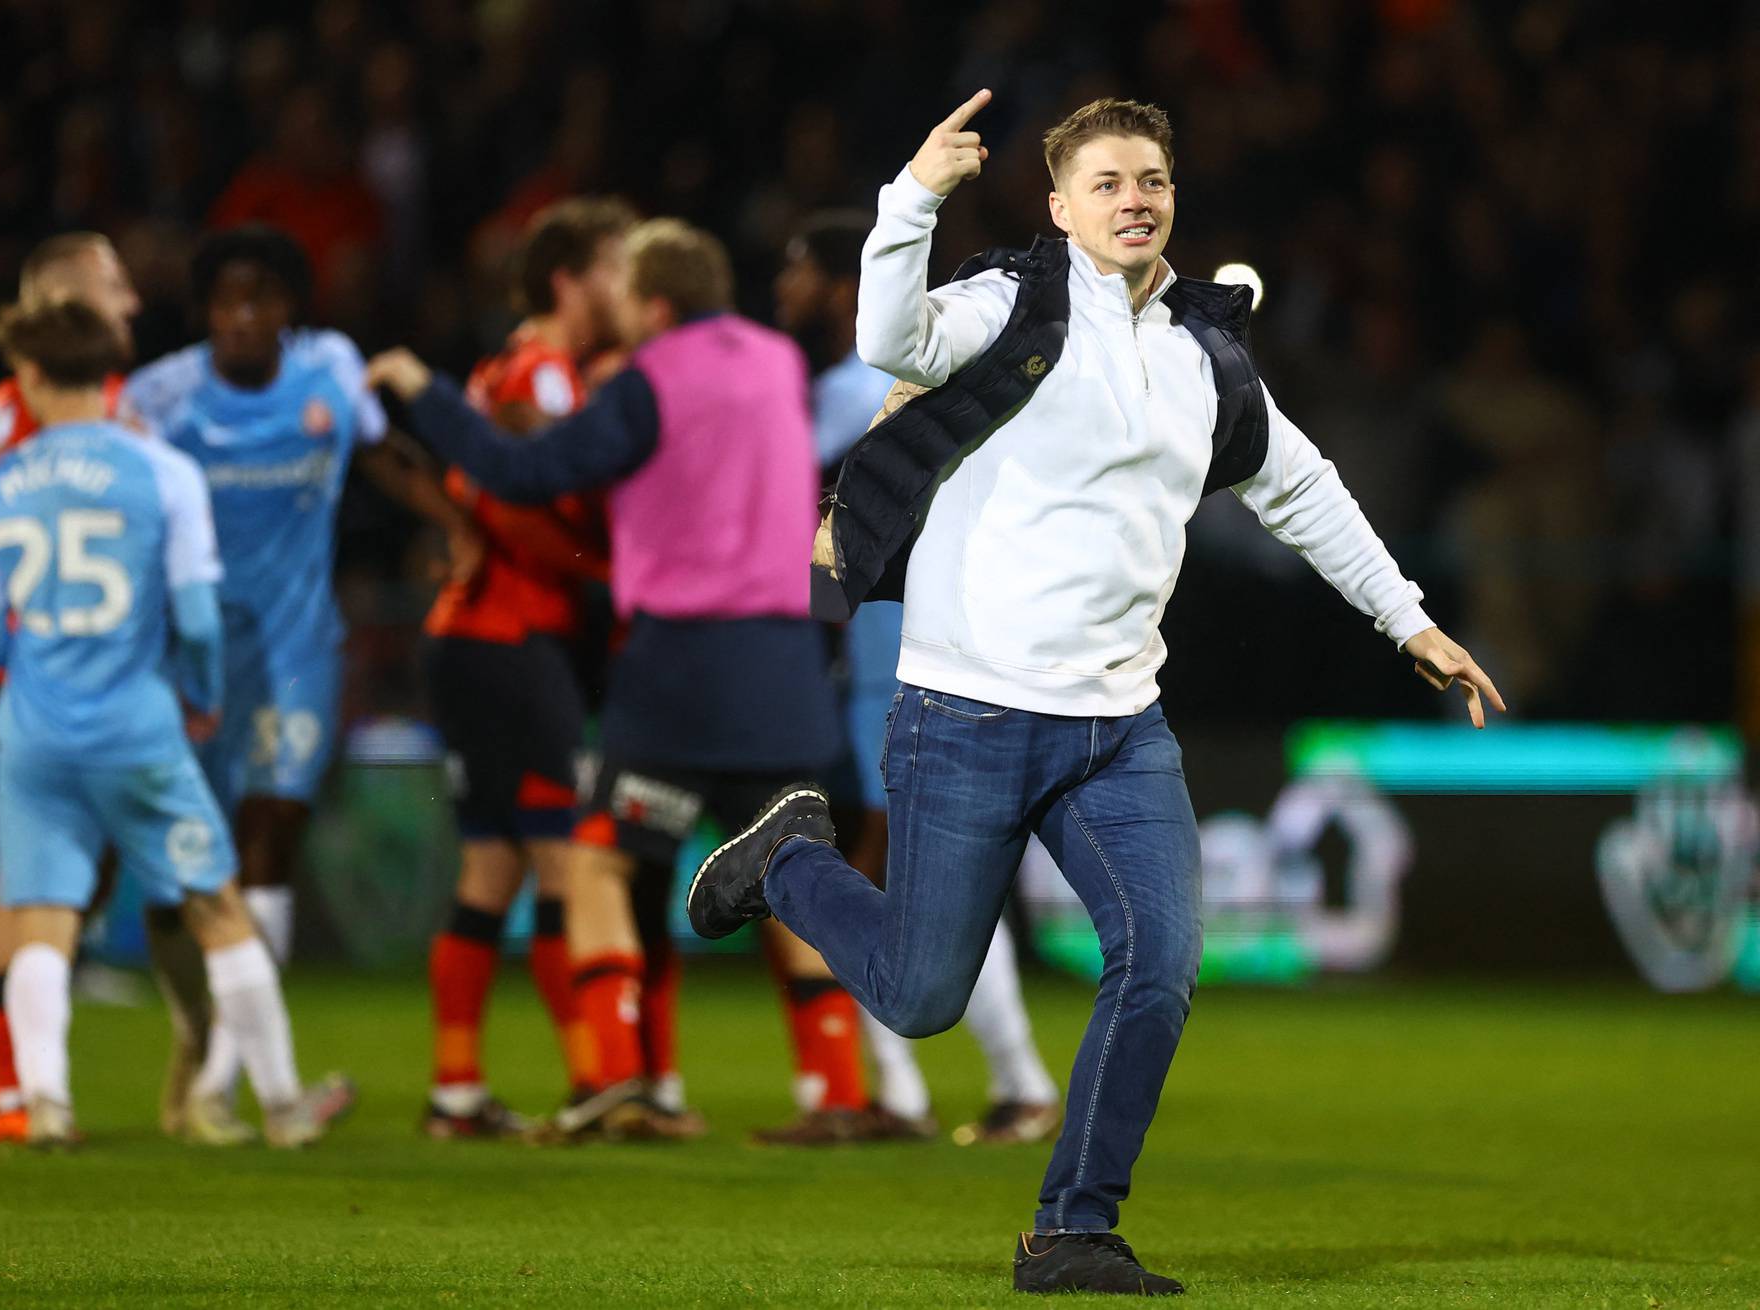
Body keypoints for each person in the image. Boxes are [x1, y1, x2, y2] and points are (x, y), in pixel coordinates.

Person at [688, 94, 1505, 1295]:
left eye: (1153, 180)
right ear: (1062, 207)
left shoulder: (1204, 357)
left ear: (1173, 200)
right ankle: (789, 860)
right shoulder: (1002, 307)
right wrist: (913, 196)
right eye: (1108, 181)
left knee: (1161, 965)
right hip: (965, 710)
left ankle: (1073, 1226)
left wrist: (1412, 619)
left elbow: (1305, 490)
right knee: (919, 998)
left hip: (1119, 728)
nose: (1135, 197)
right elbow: (886, 340)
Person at [367, 218, 861, 1140]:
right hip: (786, 662)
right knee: (792, 866)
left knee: (600, 857)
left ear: (655, 302)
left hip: (681, 663)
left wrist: (422, 393)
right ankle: (835, 1092)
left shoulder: (652, 380)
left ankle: (621, 1081)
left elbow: (521, 471)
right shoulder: (773, 364)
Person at [0, 298, 337, 1147]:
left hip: (34, 733)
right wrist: (201, 696)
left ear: (30, 378)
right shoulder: (162, 474)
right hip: (137, 725)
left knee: (44, 913)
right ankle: (280, 1105)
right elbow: (198, 619)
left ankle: (47, 1100)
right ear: (107, 376)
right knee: (217, 907)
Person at [776, 212, 1062, 1144]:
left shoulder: (851, 387)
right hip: (904, 650)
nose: (786, 290)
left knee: (910, 868)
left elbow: (815, 516)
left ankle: (954, 1090)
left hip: (904, 653)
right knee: (916, 869)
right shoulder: (958, 367)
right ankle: (957, 1087)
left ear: (835, 281)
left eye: (796, 272)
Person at [0, 232, 218, 1145]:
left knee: (67, 884)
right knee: (38, 887)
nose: (132, 301)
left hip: (85, 681)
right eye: (113, 285)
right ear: (66, 302)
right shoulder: (19, 418)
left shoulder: (97, 404)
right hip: (59, 685)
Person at [382, 197, 635, 1137]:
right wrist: (607, 571)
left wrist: (458, 528)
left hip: (470, 640)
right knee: (567, 862)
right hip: (518, 641)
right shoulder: (548, 379)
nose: (630, 287)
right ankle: (591, 1084)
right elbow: (528, 505)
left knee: (492, 865)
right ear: (572, 281)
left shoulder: (499, 370)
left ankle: (456, 1089)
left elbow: (461, 485)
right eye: (616, 268)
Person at [123, 226, 377, 1140]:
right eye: (226, 300)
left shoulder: (332, 373)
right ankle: (197, 1041)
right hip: (188, 656)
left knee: (268, 839)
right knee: (182, 876)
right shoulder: (157, 398)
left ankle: (225, 1085)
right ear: (202, 313)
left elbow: (381, 454)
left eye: (261, 298)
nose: (242, 316)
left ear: (290, 309)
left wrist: (454, 518)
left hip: (300, 649)